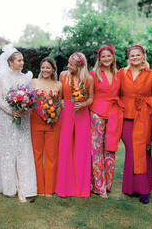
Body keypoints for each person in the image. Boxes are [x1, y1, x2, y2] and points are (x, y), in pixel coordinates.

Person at [0, 44, 37, 203]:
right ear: (10, 62)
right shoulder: (1, 77)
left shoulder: (26, 78)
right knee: (8, 150)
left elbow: (31, 98)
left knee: (22, 149)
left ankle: (23, 186)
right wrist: (12, 111)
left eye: (22, 60)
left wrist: (24, 110)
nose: (22, 63)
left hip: (23, 119)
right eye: (19, 60)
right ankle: (9, 186)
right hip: (6, 118)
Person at [119, 45, 152, 204]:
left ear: (143, 56)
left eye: (138, 55)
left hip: (146, 116)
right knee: (131, 150)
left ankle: (144, 190)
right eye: (132, 56)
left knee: (143, 151)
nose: (135, 58)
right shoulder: (121, 73)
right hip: (126, 117)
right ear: (128, 58)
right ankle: (131, 188)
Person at [55, 52, 94, 198]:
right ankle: (64, 187)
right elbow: (58, 96)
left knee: (81, 148)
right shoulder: (63, 75)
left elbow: (91, 98)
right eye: (68, 64)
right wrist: (61, 103)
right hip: (66, 113)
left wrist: (83, 104)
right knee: (64, 147)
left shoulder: (88, 78)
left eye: (71, 64)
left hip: (82, 113)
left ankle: (80, 188)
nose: (68, 66)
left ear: (79, 66)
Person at [89, 45, 124, 198]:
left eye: (109, 55)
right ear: (99, 59)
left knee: (110, 148)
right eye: (103, 56)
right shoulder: (93, 74)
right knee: (96, 150)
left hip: (114, 113)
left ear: (113, 57)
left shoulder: (119, 74)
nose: (106, 58)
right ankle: (99, 186)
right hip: (97, 113)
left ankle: (108, 184)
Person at [30, 57, 62, 197]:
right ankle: (39, 188)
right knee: (37, 154)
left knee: (51, 155)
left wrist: (57, 115)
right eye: (43, 67)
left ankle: (49, 188)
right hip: (35, 120)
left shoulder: (59, 85)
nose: (45, 70)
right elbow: (29, 100)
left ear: (53, 69)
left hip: (52, 123)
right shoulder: (34, 82)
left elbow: (60, 103)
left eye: (48, 67)